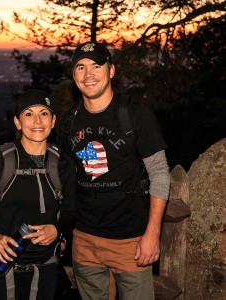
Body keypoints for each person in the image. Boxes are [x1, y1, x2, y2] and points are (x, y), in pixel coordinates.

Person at [57, 41, 170, 300]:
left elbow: (160, 173)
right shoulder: (67, 122)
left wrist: (152, 233)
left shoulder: (135, 114)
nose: (88, 74)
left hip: (130, 240)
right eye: (81, 67)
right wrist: (63, 229)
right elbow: (65, 180)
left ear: (111, 71)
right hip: (84, 238)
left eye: (97, 66)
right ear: (74, 75)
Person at [0, 89, 75, 300]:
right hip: (1, 266)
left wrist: (58, 229)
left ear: (53, 121)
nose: (37, 120)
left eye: (44, 113)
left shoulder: (64, 164)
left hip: (44, 269)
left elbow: (71, 211)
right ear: (17, 122)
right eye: (28, 114)